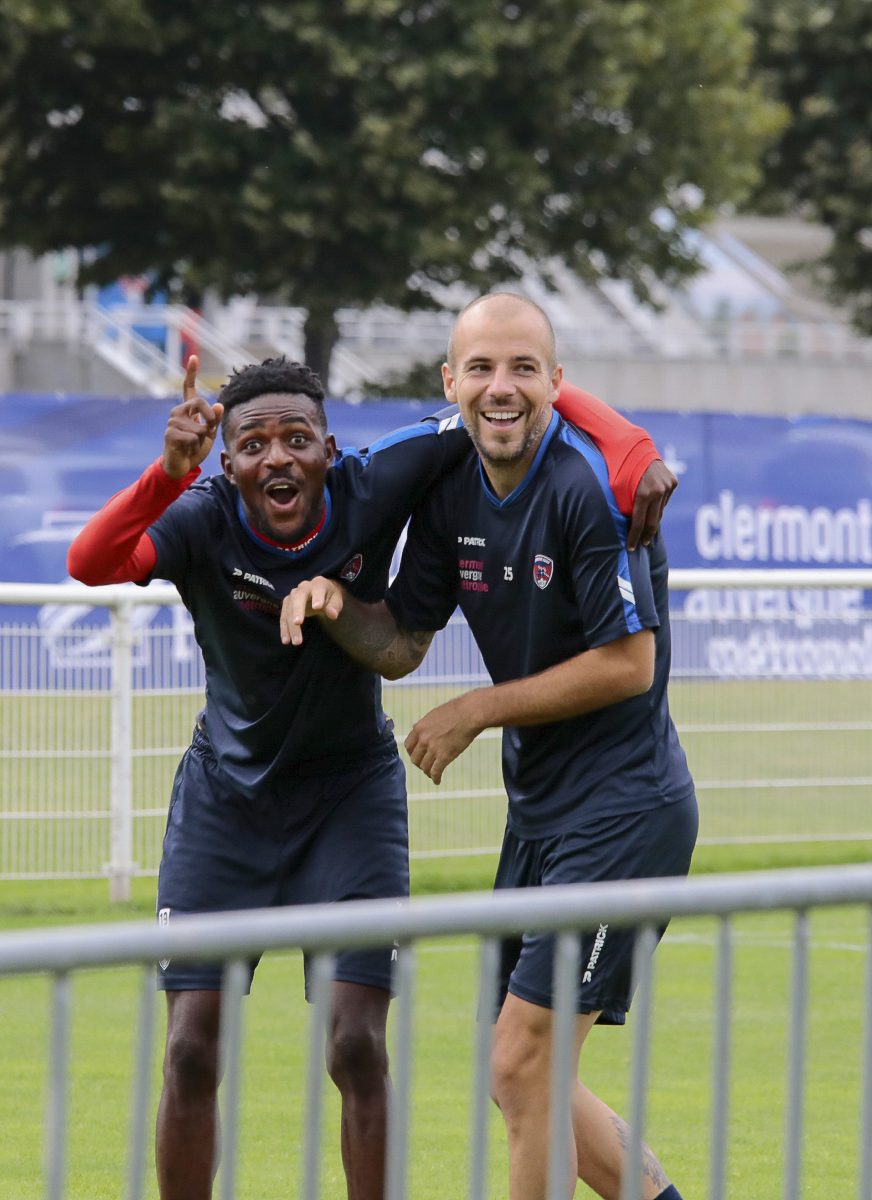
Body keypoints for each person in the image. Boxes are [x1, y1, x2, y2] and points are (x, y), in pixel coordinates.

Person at [67, 352, 675, 1200]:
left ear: (329, 448)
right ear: (228, 462)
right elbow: (89, 564)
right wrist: (166, 474)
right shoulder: (201, 517)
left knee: (357, 1043)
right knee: (189, 1048)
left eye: (296, 438)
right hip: (225, 804)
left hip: (352, 798)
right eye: (252, 444)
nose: (277, 458)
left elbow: (494, 395)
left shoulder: (377, 479)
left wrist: (629, 443)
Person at [280, 293, 697, 1200]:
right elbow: (401, 644)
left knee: (523, 1066)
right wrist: (335, 607)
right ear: (449, 383)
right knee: (522, 1075)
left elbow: (630, 664)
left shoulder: (591, 482)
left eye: (521, 369)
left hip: (624, 813)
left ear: (557, 382)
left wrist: (477, 709)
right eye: (481, 368)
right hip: (540, 816)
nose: (500, 389)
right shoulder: (449, 491)